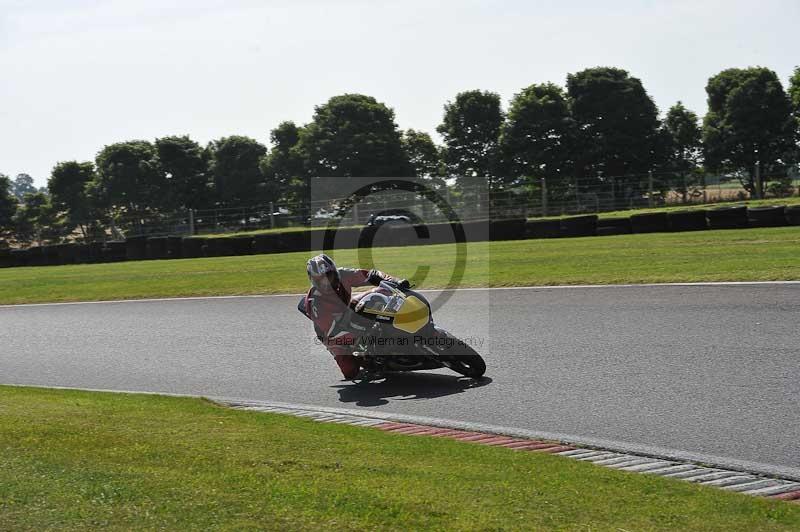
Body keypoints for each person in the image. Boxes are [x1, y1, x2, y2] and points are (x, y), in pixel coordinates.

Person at [302, 254, 409, 379]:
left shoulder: (343, 274)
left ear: (334, 273)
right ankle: (368, 358)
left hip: (347, 308)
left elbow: (371, 275)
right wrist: (366, 335)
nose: (326, 284)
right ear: (313, 281)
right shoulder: (315, 302)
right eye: (320, 280)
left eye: (328, 277)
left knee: (380, 292)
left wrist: (394, 281)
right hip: (331, 332)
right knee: (350, 372)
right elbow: (334, 331)